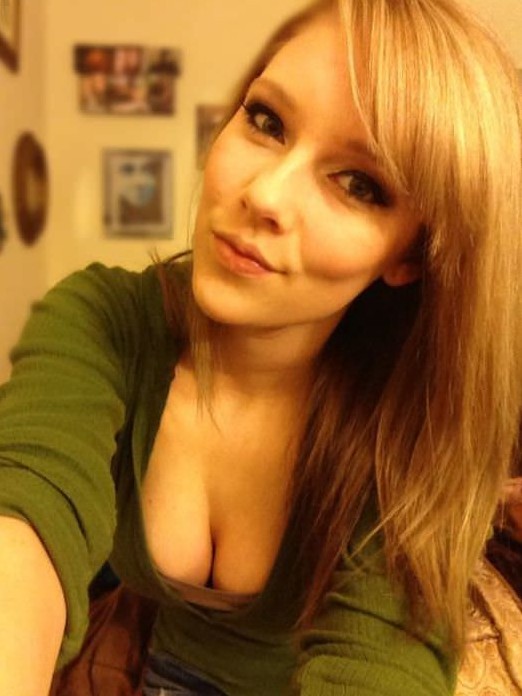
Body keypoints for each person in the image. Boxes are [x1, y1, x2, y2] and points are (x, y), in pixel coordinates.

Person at [1, 0, 521, 694]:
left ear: (409, 257)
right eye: (267, 121)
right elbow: (25, 520)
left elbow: (383, 660)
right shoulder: (105, 322)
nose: (265, 194)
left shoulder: (409, 420)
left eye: (359, 185)